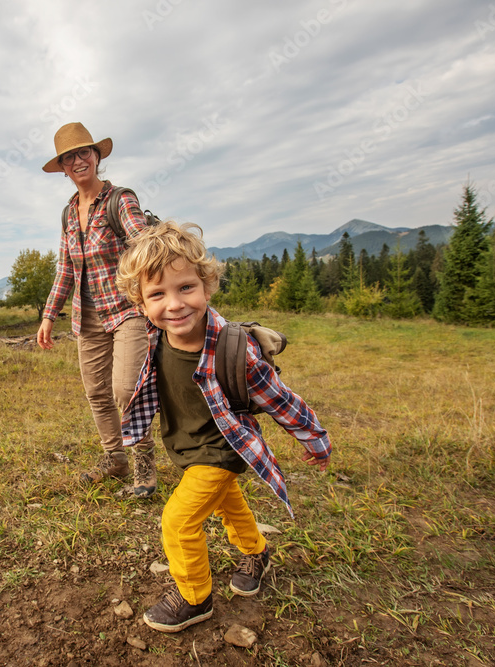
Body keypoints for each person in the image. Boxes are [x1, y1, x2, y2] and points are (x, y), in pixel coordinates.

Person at [115, 221, 332, 633]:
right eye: (157, 294)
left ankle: (194, 597)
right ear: (141, 304)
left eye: (185, 288)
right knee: (229, 503)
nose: (174, 304)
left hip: (222, 449)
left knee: (179, 521)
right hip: (188, 446)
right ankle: (257, 551)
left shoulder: (233, 348)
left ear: (207, 286)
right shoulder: (154, 334)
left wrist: (314, 437)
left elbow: (279, 398)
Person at [36, 122, 157, 497]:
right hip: (87, 316)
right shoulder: (69, 213)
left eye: (83, 152)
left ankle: (144, 467)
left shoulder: (119, 199)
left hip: (128, 308)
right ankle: (114, 459)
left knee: (125, 388)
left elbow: (143, 242)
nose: (77, 160)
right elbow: (66, 269)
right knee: (97, 392)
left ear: (96, 156)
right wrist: (48, 315)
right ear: (64, 167)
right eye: (69, 157)